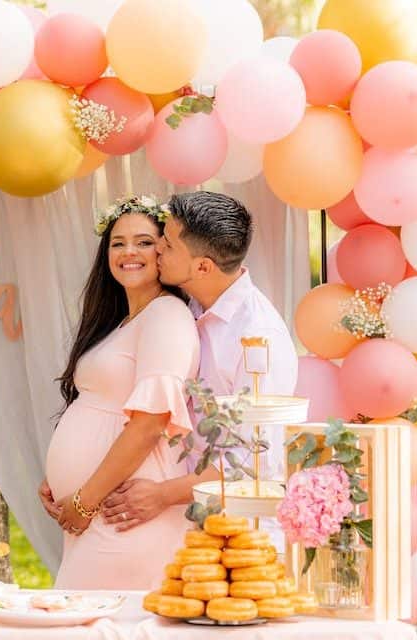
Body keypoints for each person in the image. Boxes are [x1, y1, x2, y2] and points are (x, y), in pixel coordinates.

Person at [101, 190, 299, 542]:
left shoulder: (257, 338)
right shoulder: (186, 307)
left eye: (169, 245)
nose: (158, 248)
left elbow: (255, 463)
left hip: (244, 533)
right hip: (189, 525)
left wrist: (163, 494)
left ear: (203, 267)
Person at [39, 195, 200, 591]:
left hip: (119, 511)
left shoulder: (167, 316)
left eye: (144, 242)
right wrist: (60, 482)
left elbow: (149, 425)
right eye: (118, 242)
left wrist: (84, 500)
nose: (129, 251)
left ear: (164, 251)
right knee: (91, 636)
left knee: (89, 634)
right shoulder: (124, 321)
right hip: (94, 508)